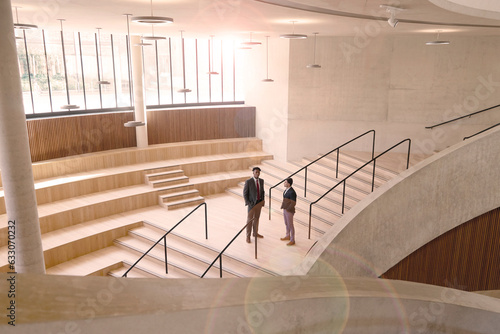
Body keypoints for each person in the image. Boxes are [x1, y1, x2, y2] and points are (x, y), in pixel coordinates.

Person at [243, 167, 265, 243]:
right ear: (253, 173)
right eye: (256, 172)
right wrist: (249, 203)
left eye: (258, 172)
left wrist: (262, 201)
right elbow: (245, 194)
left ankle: (255, 233)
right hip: (251, 205)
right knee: (249, 220)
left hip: (259, 204)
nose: (257, 173)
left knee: (256, 219)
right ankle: (248, 236)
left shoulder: (261, 181)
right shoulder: (248, 182)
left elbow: (262, 191)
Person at [280, 177, 297, 246]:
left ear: (289, 184)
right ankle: (287, 236)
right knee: (286, 223)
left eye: (285, 182)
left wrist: (288, 209)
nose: (284, 183)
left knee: (290, 225)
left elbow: (293, 203)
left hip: (289, 210)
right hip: (285, 209)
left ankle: (292, 240)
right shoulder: (286, 190)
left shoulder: (292, 192)